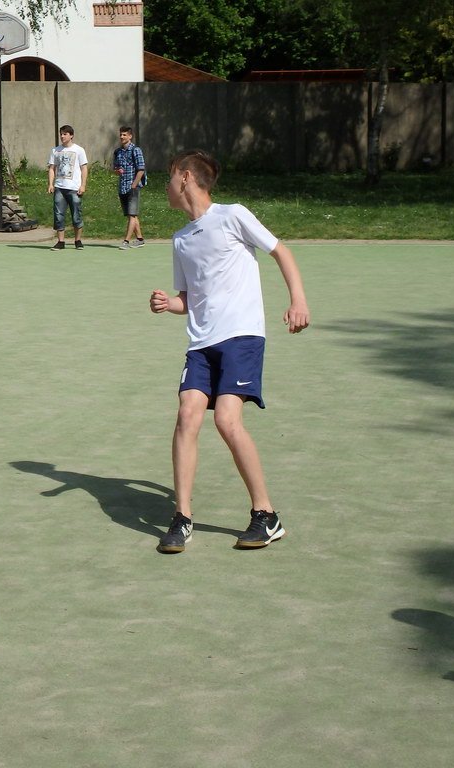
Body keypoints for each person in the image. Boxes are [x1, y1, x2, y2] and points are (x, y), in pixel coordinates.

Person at [149, 149, 310, 554]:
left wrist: (298, 300)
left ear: (186, 178)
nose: (166, 186)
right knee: (187, 414)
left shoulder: (232, 215)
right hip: (201, 343)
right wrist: (169, 304)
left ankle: (266, 515)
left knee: (225, 419)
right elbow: (189, 298)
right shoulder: (180, 239)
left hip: (241, 336)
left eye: (170, 177)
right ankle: (182, 518)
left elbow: (281, 251)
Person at [47, 125, 88, 250]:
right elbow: (52, 168)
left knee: (76, 214)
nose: (62, 136)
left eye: (65, 134)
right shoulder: (55, 150)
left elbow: (84, 168)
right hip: (60, 187)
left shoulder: (79, 150)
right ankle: (61, 241)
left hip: (74, 188)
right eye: (61, 134)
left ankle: (78, 240)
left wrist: (83, 185)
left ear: (71, 135)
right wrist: (51, 184)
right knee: (58, 215)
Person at [112, 126, 146, 249]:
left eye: (124, 135)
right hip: (122, 187)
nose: (122, 137)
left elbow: (141, 169)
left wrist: (134, 185)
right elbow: (115, 168)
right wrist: (117, 171)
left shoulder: (136, 150)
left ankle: (126, 241)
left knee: (132, 215)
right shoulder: (118, 152)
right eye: (121, 134)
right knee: (132, 215)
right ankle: (140, 239)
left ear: (130, 136)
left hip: (133, 187)